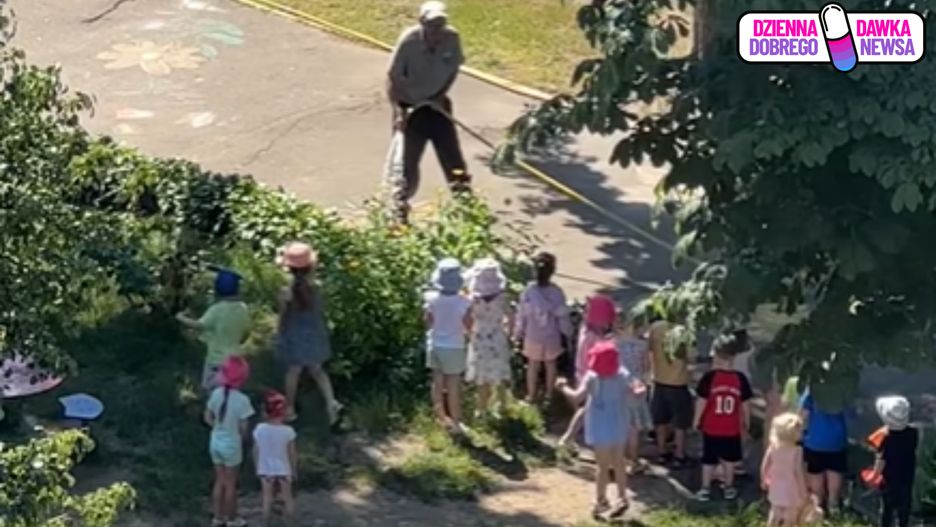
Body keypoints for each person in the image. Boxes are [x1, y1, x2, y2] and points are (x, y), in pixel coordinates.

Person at [386, 1, 470, 222]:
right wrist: (399, 111)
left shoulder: (452, 38)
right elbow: (393, 77)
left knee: (452, 156)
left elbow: (453, 69)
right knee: (405, 164)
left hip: (437, 105)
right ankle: (399, 210)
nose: (437, 31)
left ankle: (467, 204)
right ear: (422, 23)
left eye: (441, 24)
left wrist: (440, 95)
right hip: (410, 109)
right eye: (432, 25)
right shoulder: (409, 41)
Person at [556, 341, 645, 520]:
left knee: (602, 467)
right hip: (619, 423)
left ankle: (601, 500)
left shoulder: (592, 376)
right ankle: (622, 497)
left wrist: (562, 387)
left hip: (599, 425)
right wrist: (639, 391)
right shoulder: (622, 373)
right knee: (619, 462)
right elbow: (636, 388)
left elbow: (576, 397)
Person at [276, 242, 343, 424]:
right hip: (315, 334)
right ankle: (331, 403)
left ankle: (290, 408)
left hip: (294, 337)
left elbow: (283, 315)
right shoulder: (317, 287)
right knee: (318, 370)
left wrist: (279, 332)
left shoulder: (287, 291)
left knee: (293, 371)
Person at [693, 331, 754, 501]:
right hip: (731, 428)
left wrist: (696, 420)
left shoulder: (709, 378)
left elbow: (702, 402)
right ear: (734, 356)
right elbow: (746, 405)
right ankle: (729, 487)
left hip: (711, 427)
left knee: (708, 459)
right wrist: (746, 423)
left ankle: (705, 488)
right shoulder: (740, 379)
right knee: (730, 460)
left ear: (716, 354)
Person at [177, 268, 250, 392]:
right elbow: (245, 334)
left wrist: (180, 317)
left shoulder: (217, 309)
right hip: (235, 361)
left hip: (216, 361)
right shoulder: (243, 308)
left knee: (212, 392)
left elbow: (199, 325)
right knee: (231, 392)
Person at [558, 294, 616, 447]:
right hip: (592, 377)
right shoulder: (596, 338)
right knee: (586, 409)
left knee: (587, 408)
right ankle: (568, 438)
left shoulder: (585, 330)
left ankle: (576, 435)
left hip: (581, 373)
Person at [514, 252, 572, 404]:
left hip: (532, 336)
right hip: (552, 337)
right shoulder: (557, 292)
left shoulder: (528, 291)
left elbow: (522, 315)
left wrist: (518, 332)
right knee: (551, 365)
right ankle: (549, 395)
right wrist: (567, 332)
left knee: (533, 365)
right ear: (552, 271)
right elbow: (562, 316)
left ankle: (531, 395)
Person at [205, 356, 254, 527]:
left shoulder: (216, 393)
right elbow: (244, 428)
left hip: (215, 441)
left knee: (219, 480)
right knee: (231, 484)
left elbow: (207, 417)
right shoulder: (243, 401)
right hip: (232, 444)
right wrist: (243, 438)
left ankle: (217, 517)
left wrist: (218, 427)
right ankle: (232, 518)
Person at [424, 257, 472, 433]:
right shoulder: (463, 302)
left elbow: (427, 321)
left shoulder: (431, 299)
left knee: (437, 382)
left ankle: (441, 417)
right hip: (454, 345)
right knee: (453, 385)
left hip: (435, 344)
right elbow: (469, 325)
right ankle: (456, 422)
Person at [464, 258, 512, 417]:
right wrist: (509, 331)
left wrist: (468, 332)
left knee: (482, 375)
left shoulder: (473, 300)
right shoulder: (502, 298)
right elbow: (511, 317)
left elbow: (467, 319)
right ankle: (502, 404)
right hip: (497, 336)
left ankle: (481, 409)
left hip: (479, 338)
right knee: (500, 372)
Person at [648, 320, 694, 467]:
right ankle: (679, 455)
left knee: (660, 419)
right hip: (678, 382)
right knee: (681, 422)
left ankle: (662, 452)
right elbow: (691, 357)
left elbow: (649, 349)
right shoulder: (685, 331)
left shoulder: (656, 327)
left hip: (659, 379)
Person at [869, 396, 918, 527]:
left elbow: (881, 460)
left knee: (887, 508)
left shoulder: (886, 438)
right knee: (904, 507)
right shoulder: (913, 433)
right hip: (907, 476)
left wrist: (874, 475)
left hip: (889, 479)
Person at [799, 390, 849, 515]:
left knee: (815, 473)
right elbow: (851, 413)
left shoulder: (812, 391)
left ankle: (818, 503)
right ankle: (833, 502)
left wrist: (802, 432)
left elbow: (804, 414)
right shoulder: (841, 390)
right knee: (835, 471)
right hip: (836, 439)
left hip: (814, 440)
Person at [253, 390, 297, 526]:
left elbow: (256, 450)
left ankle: (265, 522)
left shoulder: (260, 429)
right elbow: (291, 453)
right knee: (287, 497)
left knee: (267, 498)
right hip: (284, 468)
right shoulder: (288, 431)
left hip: (265, 468)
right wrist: (293, 469)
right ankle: (289, 522)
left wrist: (257, 465)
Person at [616, 314, 653, 473]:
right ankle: (633, 459)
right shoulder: (642, 345)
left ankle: (621, 459)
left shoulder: (614, 343)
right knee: (634, 427)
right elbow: (647, 367)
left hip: (619, 386)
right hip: (637, 386)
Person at [762, 413, 812, 527]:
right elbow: (797, 472)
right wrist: (803, 490)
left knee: (775, 509)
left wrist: (764, 479)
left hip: (776, 485)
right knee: (791, 512)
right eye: (800, 431)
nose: (802, 434)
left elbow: (765, 464)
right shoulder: (797, 450)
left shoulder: (773, 447)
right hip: (791, 486)